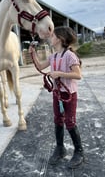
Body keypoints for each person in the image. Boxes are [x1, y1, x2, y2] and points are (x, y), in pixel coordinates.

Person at [29, 26, 84, 169]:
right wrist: (33, 54)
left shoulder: (70, 56)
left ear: (60, 39)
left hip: (69, 94)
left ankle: (79, 151)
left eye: (52, 36)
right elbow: (41, 66)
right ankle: (60, 149)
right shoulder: (53, 56)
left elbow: (78, 75)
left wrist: (60, 73)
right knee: (58, 120)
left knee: (70, 122)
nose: (50, 38)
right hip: (57, 93)